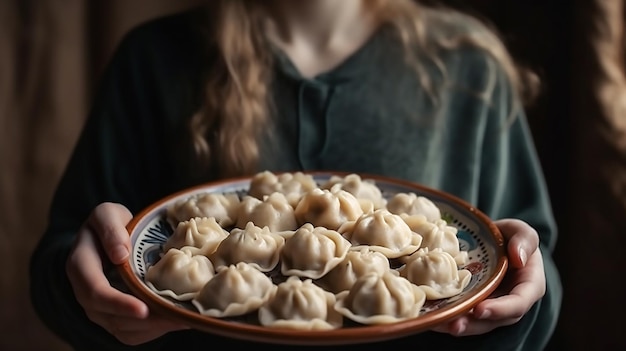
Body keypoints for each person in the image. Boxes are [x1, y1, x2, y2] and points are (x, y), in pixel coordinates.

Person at [29, 0, 562, 350]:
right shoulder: (154, 62)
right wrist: (92, 294)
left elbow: (535, 272)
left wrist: (516, 298)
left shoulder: (468, 69)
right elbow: (64, 263)